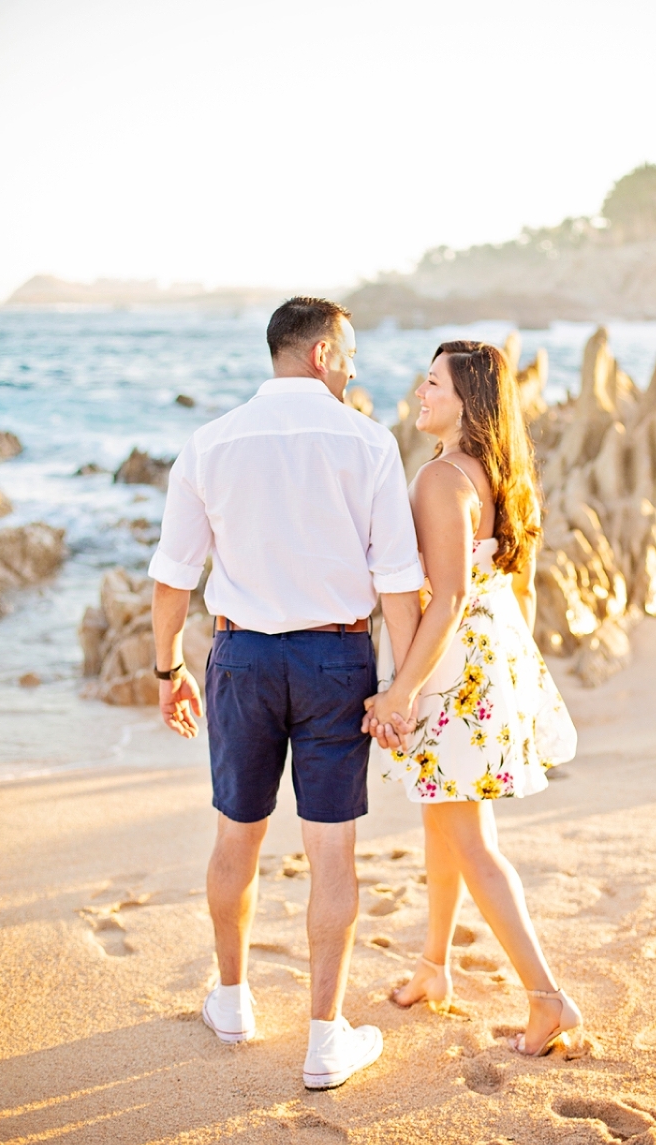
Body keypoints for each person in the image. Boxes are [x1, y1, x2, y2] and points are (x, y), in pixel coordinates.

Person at [149, 297, 423, 1088]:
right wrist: (400, 686)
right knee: (331, 848)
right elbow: (398, 586)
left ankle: (232, 1002)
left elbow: (173, 579)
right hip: (337, 661)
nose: (356, 368)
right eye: (352, 354)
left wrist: (167, 672)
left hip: (240, 660)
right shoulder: (367, 441)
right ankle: (324, 1041)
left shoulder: (210, 443)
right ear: (322, 355)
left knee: (238, 834)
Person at [364, 340, 581, 1057]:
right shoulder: (485, 471)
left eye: (432, 383)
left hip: (452, 670)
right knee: (443, 822)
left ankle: (548, 1000)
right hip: (487, 659)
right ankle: (435, 966)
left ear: (466, 401)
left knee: (472, 843)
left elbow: (447, 596)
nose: (418, 392)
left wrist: (401, 689)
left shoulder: (438, 479)